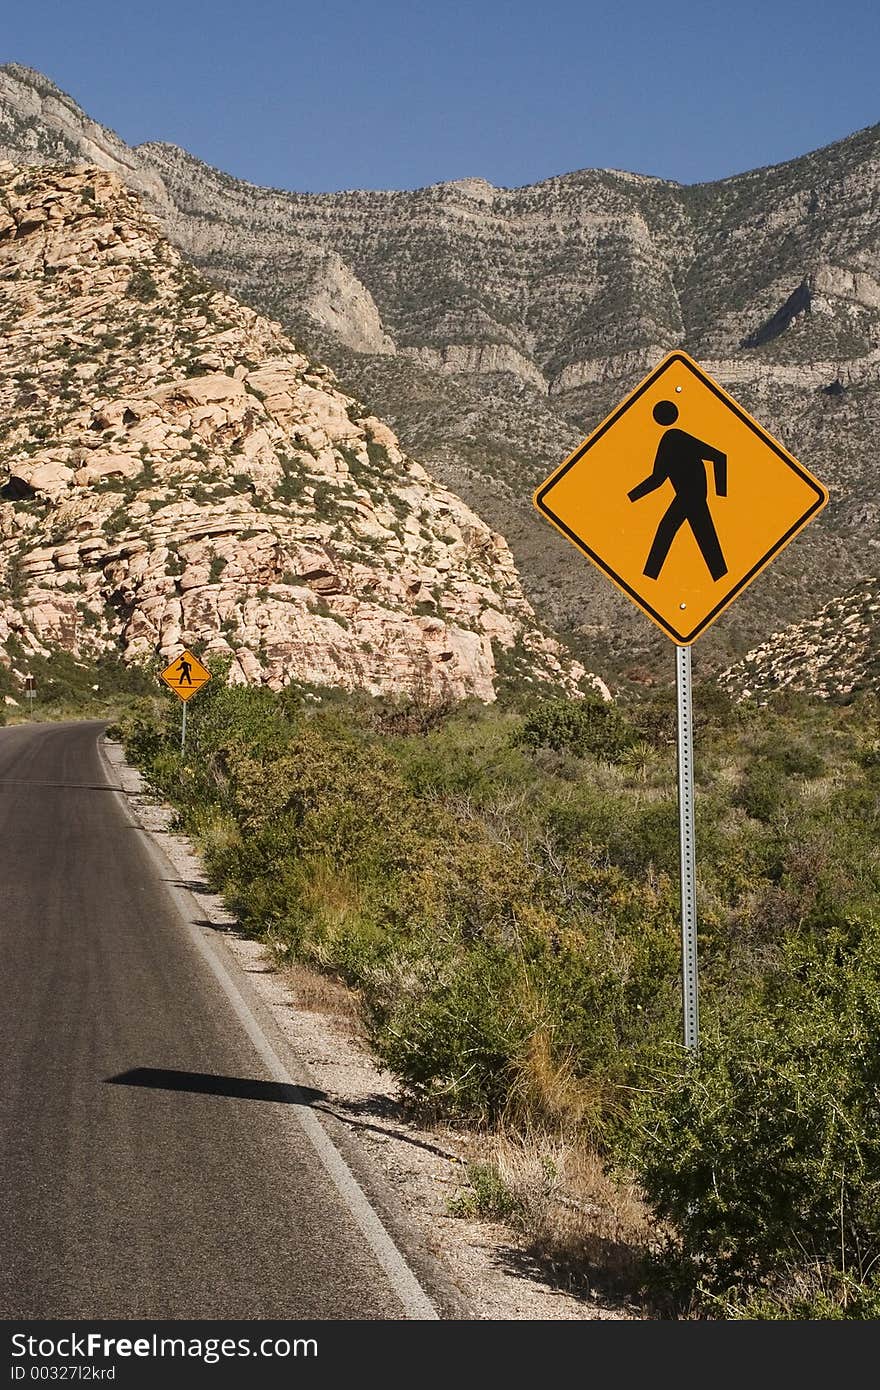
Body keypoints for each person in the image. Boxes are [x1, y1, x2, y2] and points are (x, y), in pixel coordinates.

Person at [628, 400, 728, 581]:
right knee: (704, 537)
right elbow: (657, 480)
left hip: (691, 496)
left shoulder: (675, 437)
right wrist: (630, 498)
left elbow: (720, 457)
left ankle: (650, 575)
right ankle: (720, 575)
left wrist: (721, 494)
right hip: (690, 496)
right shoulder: (670, 439)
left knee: (668, 529)